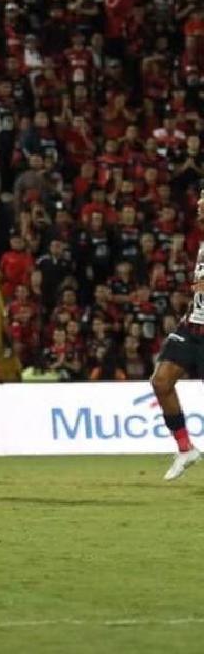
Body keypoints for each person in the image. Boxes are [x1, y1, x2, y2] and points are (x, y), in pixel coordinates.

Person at [149, 191, 204, 480]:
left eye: (203, 200)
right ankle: (185, 448)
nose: (198, 205)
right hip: (192, 326)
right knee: (161, 381)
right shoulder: (200, 242)